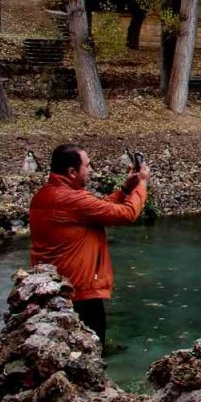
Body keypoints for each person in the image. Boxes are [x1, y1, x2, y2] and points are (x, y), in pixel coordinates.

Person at [29, 144, 150, 347]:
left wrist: (125, 189)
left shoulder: (43, 195)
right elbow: (127, 213)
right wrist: (142, 184)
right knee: (90, 353)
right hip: (80, 291)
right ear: (72, 171)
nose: (90, 170)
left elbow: (96, 209)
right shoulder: (73, 199)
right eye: (87, 165)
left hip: (53, 288)